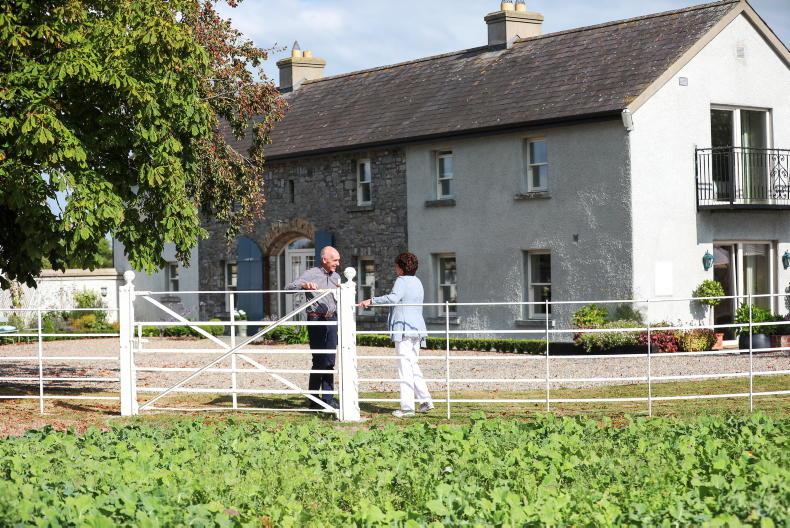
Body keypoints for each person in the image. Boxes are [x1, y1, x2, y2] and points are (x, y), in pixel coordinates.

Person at [359, 252, 434, 418]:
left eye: (396, 266)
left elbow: (393, 298)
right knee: (412, 365)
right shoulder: (417, 281)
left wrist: (371, 301)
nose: (395, 269)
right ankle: (425, 400)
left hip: (404, 329)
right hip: (417, 328)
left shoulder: (401, 280)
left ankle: (407, 408)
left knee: (405, 368)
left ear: (401, 267)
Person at [286, 246, 341, 410]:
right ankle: (314, 400)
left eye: (338, 260)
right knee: (318, 360)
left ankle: (328, 399)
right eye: (335, 260)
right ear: (324, 259)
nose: (338, 263)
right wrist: (304, 286)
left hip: (332, 319)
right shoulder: (311, 273)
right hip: (316, 319)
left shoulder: (337, 277)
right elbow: (288, 288)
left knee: (330, 361)